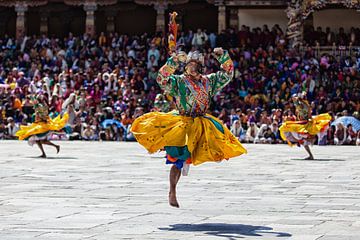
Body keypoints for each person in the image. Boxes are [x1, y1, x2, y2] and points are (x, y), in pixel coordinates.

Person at [131, 47, 247, 208]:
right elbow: (161, 79)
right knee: (178, 159)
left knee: (216, 146)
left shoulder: (209, 81)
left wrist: (223, 58)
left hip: (201, 122)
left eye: (196, 65)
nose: (193, 68)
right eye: (190, 64)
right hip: (182, 123)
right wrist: (173, 62)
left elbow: (227, 75)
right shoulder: (179, 82)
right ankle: (172, 190)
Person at [279, 92, 331, 160]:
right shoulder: (305, 104)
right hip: (303, 122)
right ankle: (309, 153)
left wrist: (295, 99)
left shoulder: (302, 105)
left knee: (286, 127)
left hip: (303, 124)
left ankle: (302, 143)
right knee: (299, 137)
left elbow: (298, 105)